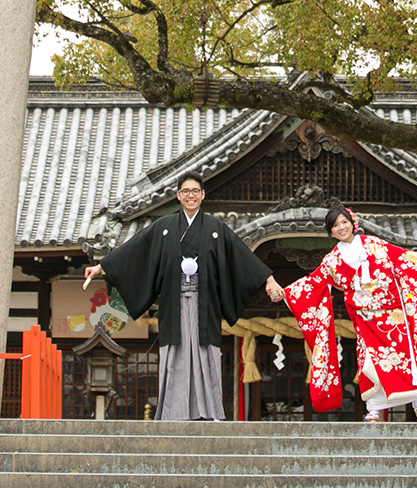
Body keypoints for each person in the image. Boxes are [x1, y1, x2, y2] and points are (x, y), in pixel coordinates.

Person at [84, 172, 283, 420]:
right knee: (175, 351)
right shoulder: (163, 227)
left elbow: (241, 255)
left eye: (195, 191)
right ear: (178, 196)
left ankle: (209, 411)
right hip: (174, 301)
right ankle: (173, 412)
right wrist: (102, 266)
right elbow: (134, 248)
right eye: (186, 191)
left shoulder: (215, 228)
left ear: (203, 195)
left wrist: (268, 278)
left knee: (205, 351)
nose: (191, 196)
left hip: (204, 302)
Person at [283, 205, 417, 421]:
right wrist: (285, 293)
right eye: (335, 225)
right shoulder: (332, 261)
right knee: (371, 362)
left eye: (344, 222)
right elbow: (312, 283)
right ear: (330, 232)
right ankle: (373, 408)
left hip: (391, 315)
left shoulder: (374, 244)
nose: (341, 228)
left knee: (404, 357)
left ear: (352, 223)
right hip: (365, 319)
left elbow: (402, 259)